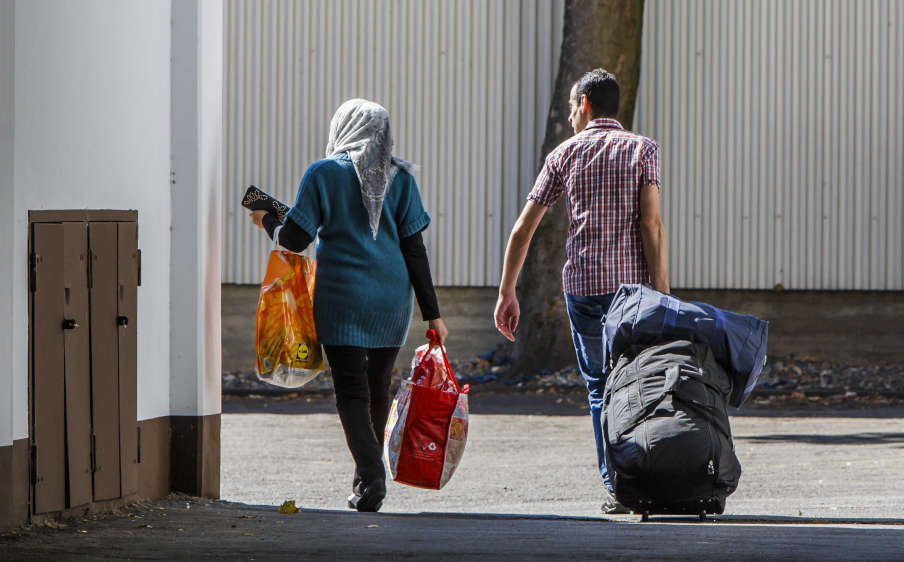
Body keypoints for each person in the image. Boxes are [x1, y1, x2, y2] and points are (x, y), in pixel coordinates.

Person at [250, 98, 447, 513]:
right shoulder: (402, 178)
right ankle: (366, 480)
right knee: (378, 387)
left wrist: (266, 218)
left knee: (351, 392)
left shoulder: (323, 173)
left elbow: (295, 240)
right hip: (392, 299)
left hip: (341, 298)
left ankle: (371, 476)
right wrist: (434, 313)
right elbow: (415, 249)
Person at [493, 69, 669, 514]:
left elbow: (523, 229)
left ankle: (616, 487)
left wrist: (507, 292)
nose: (571, 115)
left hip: (586, 289)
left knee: (599, 388)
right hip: (633, 291)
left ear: (585, 104)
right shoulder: (644, 150)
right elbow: (651, 224)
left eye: (572, 107)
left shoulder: (564, 154)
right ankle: (648, 475)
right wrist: (663, 293)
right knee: (638, 381)